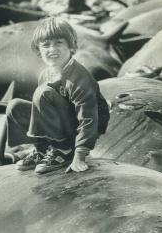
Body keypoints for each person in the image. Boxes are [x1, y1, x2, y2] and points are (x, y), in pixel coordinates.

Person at [6, 16, 110, 174]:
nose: (52, 49)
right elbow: (41, 110)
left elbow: (89, 118)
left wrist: (80, 155)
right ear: (38, 50)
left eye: (59, 43)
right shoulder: (45, 74)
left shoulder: (80, 78)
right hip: (63, 123)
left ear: (71, 47)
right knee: (15, 106)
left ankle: (63, 151)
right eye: (46, 45)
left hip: (82, 127)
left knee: (44, 94)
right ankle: (41, 150)